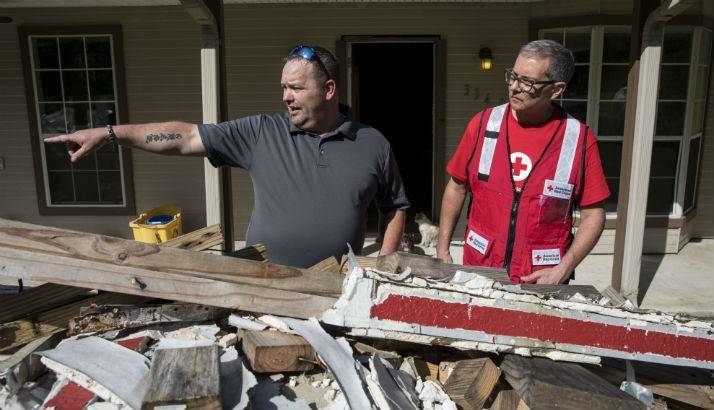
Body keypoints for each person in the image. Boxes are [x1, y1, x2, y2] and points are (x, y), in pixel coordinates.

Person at [45, 45, 410, 268]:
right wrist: (110, 134)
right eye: (283, 87)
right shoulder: (260, 133)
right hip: (262, 282)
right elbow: (185, 136)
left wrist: (381, 262)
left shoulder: (372, 143)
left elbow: (395, 206)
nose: (285, 96)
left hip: (338, 287)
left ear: (328, 89)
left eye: (296, 88)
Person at [436, 40, 609, 284]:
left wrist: (562, 269)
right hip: (481, 270)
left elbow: (594, 215)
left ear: (557, 89)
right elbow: (456, 186)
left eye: (527, 81)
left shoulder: (578, 140)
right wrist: (443, 250)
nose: (514, 87)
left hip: (541, 278)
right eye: (513, 76)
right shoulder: (484, 124)